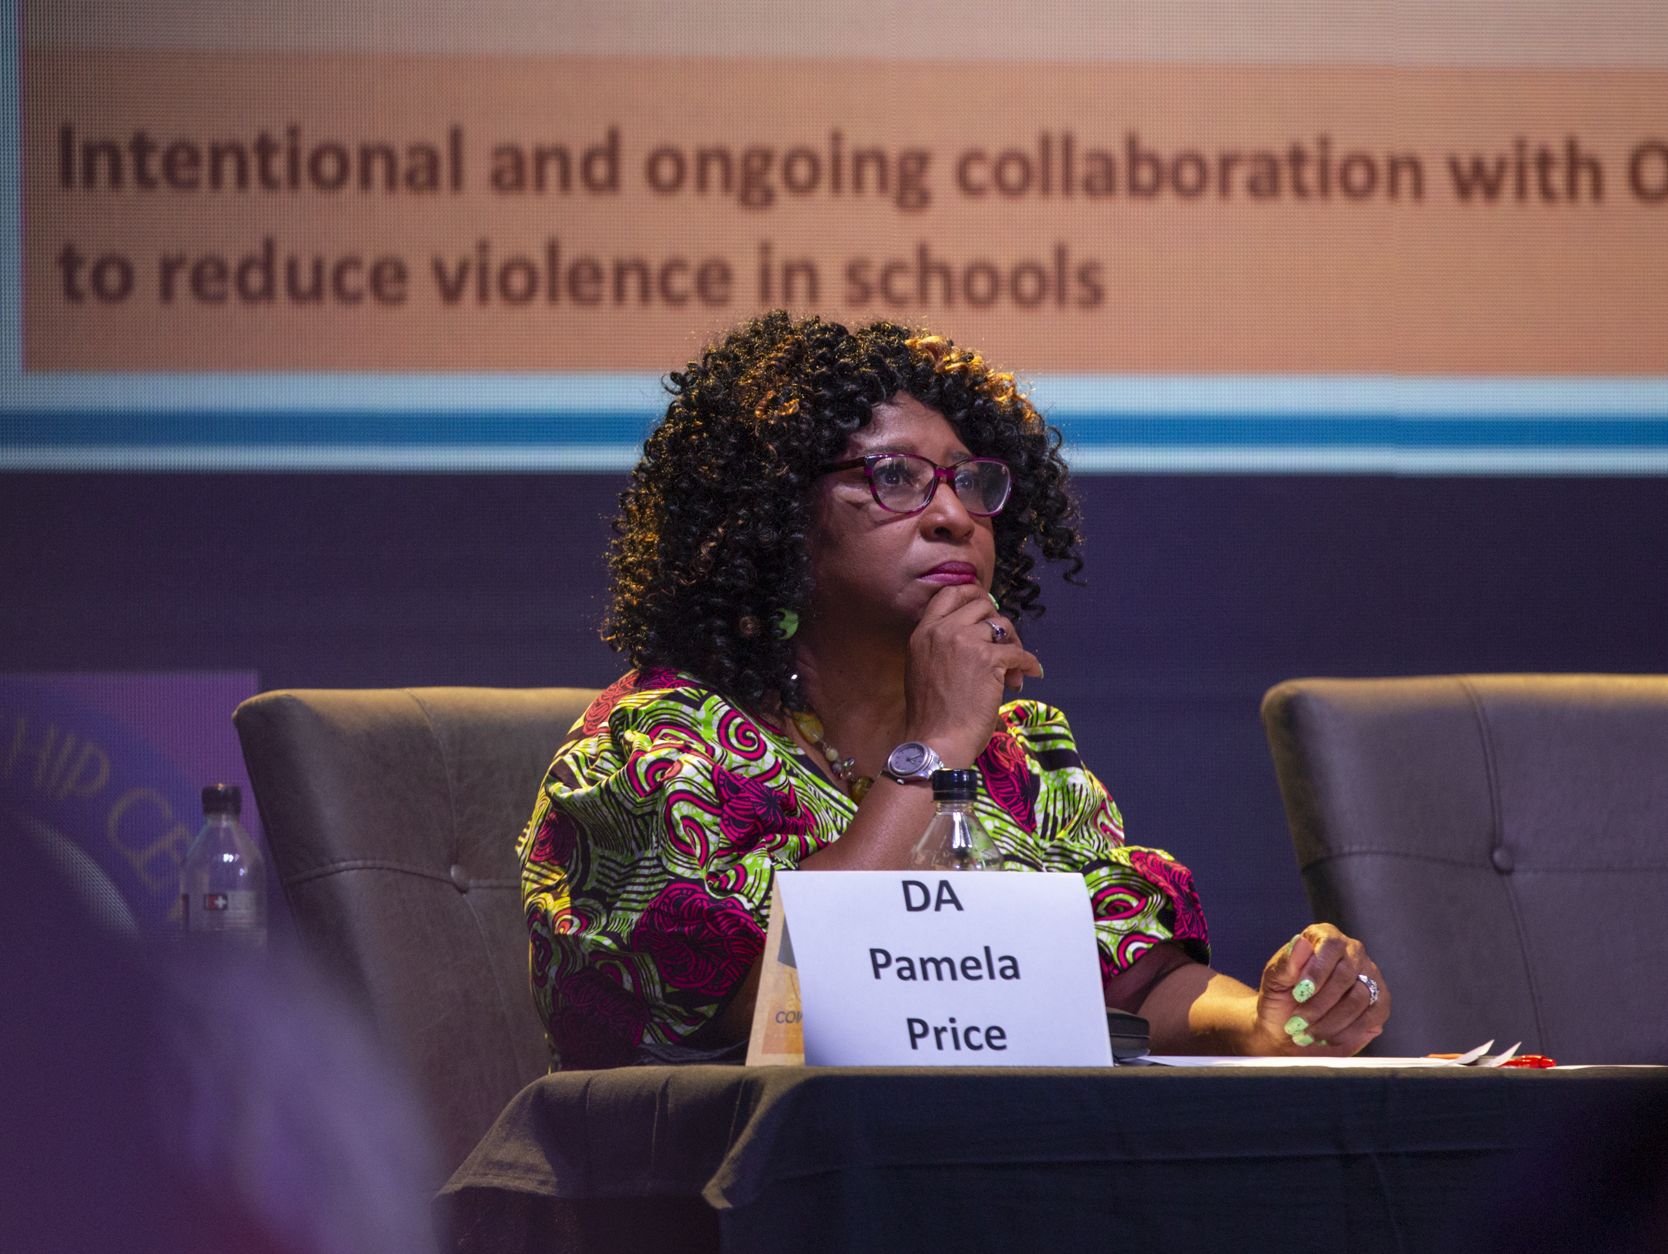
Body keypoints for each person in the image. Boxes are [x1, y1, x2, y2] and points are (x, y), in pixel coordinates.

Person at [517, 311, 1390, 1070]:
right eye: (893, 477)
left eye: (970, 481)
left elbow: (1132, 977)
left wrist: (1260, 1023)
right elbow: (774, 1019)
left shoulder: (1018, 755)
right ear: (772, 517)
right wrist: (928, 755)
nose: (953, 515)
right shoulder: (658, 746)